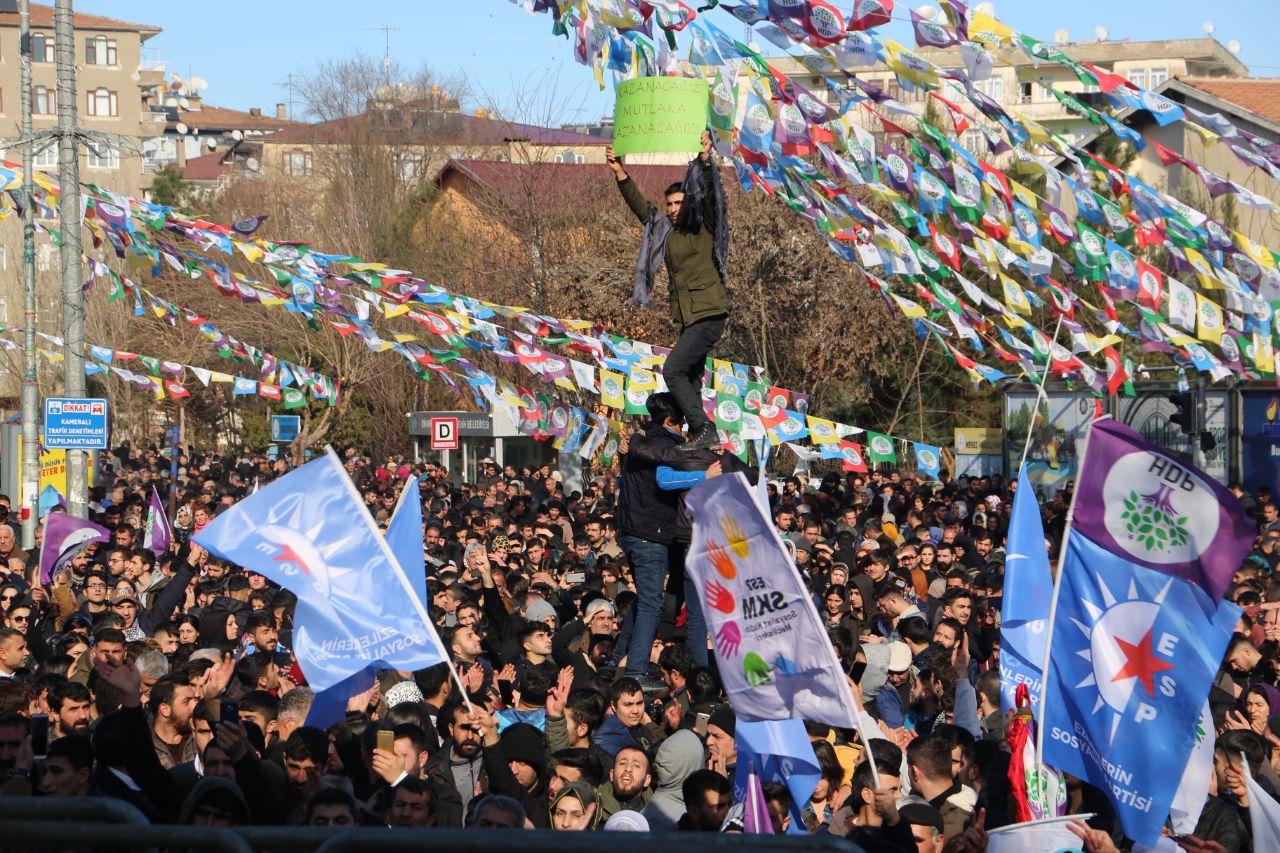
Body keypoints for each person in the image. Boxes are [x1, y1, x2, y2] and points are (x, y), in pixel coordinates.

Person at [607, 131, 729, 452]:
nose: (673, 209)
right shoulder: (667, 232)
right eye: (669, 204)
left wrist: (705, 161)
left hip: (709, 313)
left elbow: (714, 198)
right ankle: (698, 438)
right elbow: (643, 211)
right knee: (689, 379)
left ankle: (704, 428)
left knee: (672, 369)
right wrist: (621, 174)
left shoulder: (703, 226)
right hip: (690, 319)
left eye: (678, 203)